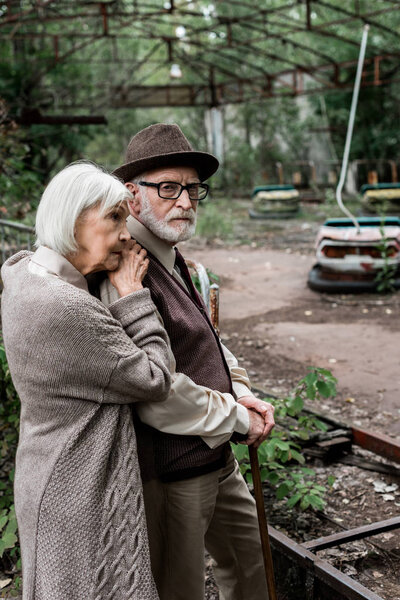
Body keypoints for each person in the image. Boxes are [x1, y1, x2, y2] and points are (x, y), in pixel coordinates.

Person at [97, 123, 275, 600]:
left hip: (216, 451)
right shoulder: (126, 271)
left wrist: (242, 393)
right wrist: (237, 417)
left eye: (193, 189)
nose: (186, 201)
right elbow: (155, 392)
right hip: (172, 469)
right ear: (133, 196)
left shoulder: (176, 258)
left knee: (251, 562)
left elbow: (208, 342)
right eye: (169, 188)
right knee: (181, 588)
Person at [0, 162, 172, 600]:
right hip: (80, 483)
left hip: (47, 469)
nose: (127, 234)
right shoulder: (65, 308)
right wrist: (133, 298)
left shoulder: (22, 273)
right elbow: (154, 377)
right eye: (114, 217)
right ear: (71, 218)